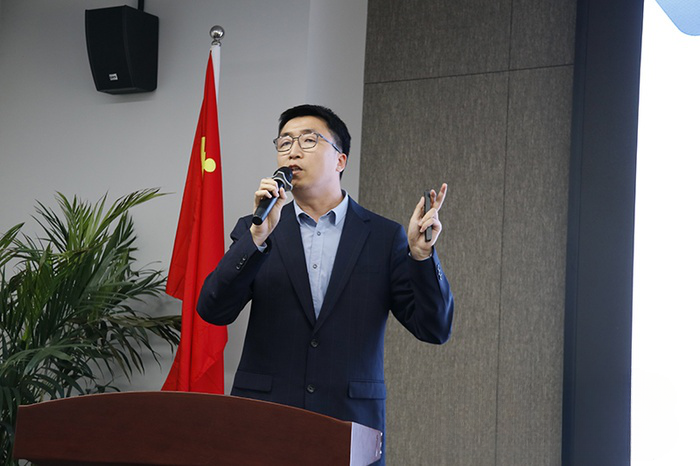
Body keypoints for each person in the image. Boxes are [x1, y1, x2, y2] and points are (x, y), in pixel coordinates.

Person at [197, 104, 454, 464]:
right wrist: (255, 239)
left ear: (340, 160)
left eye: (308, 140)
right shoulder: (258, 228)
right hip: (265, 421)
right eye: (284, 142)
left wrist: (422, 256)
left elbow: (434, 328)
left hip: (348, 423)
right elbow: (212, 309)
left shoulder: (383, 237)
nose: (293, 151)